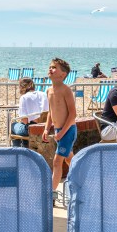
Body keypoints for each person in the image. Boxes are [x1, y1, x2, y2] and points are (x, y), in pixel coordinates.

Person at [41, 59, 77, 203]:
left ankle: (51, 195)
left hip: (67, 130)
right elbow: (51, 111)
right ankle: (83, 181)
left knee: (57, 162)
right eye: (50, 67)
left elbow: (72, 114)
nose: (50, 69)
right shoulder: (49, 90)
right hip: (58, 130)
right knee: (70, 160)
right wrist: (46, 128)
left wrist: (62, 133)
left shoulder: (65, 90)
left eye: (54, 68)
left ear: (62, 74)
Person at [12, 77, 49, 147]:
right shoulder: (44, 94)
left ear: (22, 87)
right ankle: (25, 147)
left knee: (13, 125)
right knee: (26, 126)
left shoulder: (24, 97)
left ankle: (17, 152)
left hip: (32, 128)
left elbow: (24, 120)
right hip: (45, 127)